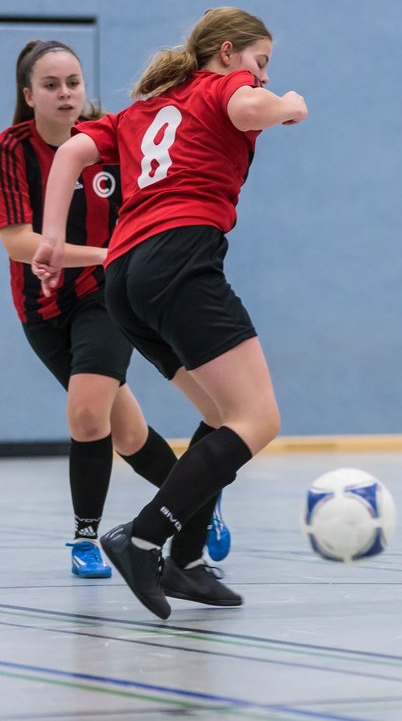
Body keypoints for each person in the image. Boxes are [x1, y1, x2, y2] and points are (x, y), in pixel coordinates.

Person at [34, 7, 307, 619]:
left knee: (218, 414)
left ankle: (184, 561)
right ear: (231, 51)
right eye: (261, 63)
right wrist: (290, 104)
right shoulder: (225, 86)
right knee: (257, 418)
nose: (262, 77)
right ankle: (142, 538)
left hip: (124, 277)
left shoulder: (142, 110)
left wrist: (53, 236)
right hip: (180, 258)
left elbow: (71, 152)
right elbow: (246, 108)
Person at [0, 40, 230, 580]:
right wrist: (77, 253)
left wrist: (113, 258)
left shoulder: (110, 135)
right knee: (126, 434)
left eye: (73, 83)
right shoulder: (12, 150)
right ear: (28, 94)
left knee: (85, 413)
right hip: (40, 309)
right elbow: (17, 242)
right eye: (51, 85)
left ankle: (87, 538)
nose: (64, 94)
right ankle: (197, 504)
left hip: (104, 298)